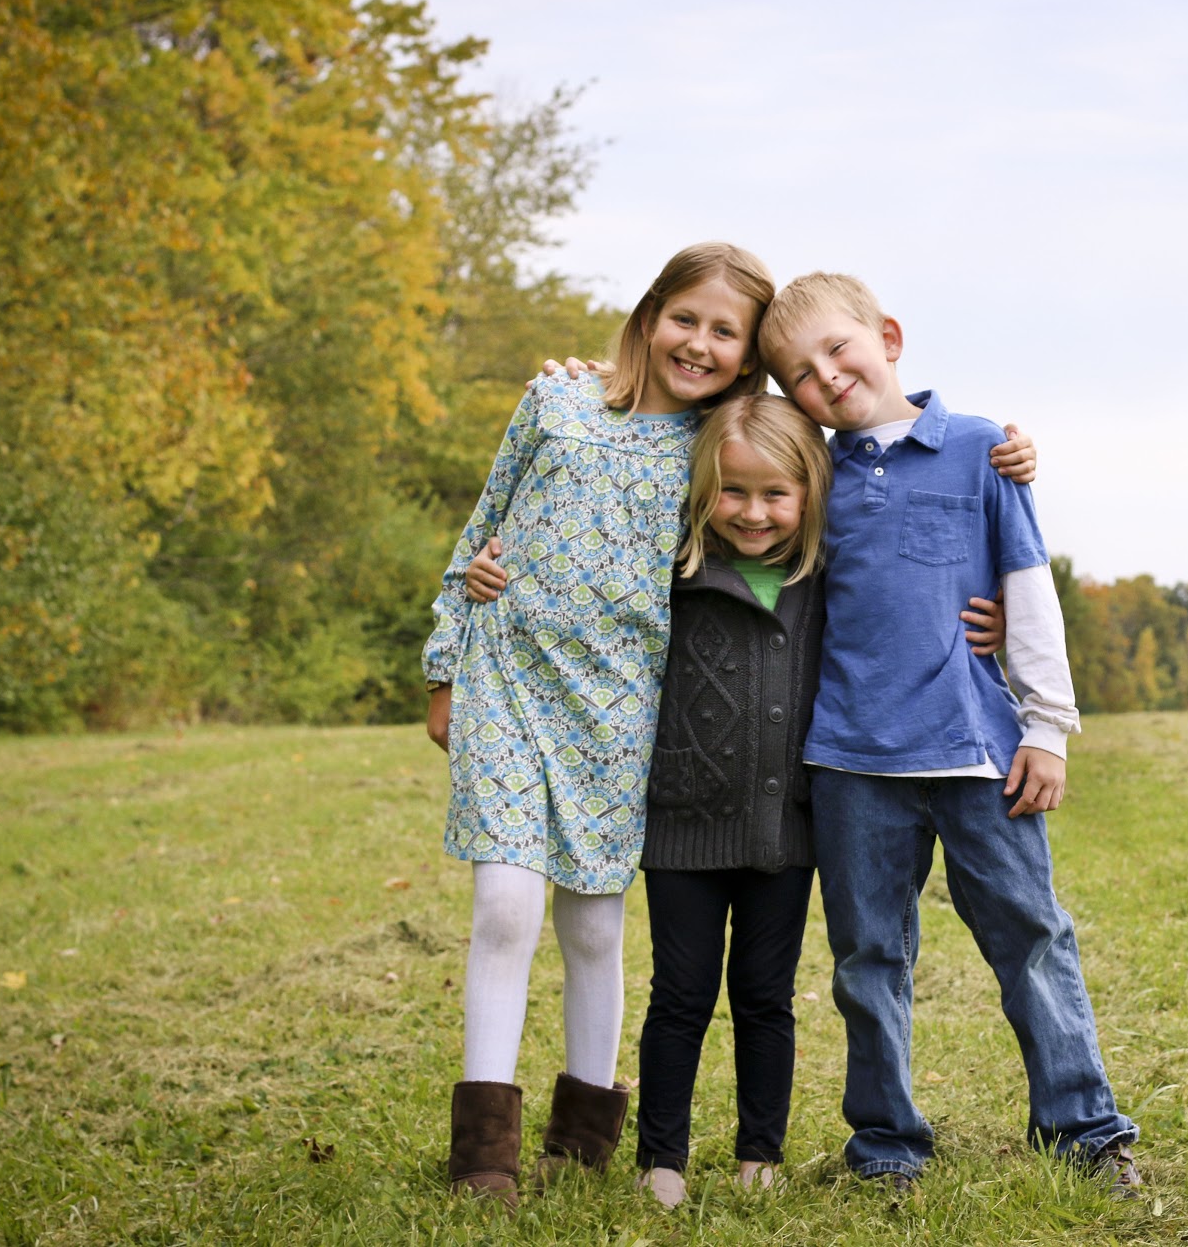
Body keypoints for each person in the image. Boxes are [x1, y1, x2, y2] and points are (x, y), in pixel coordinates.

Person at [424, 245, 1035, 1206]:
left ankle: (590, 1139)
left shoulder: (723, 454)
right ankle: (489, 1156)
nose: (699, 343)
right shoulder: (567, 403)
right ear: (648, 315)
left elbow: (866, 495)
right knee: (517, 913)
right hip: (528, 688)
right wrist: (450, 647)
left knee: (613, 932)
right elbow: (487, 524)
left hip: (640, 726)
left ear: (748, 363)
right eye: (685, 319)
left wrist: (993, 531)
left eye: (725, 333)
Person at [755, 271, 1142, 1196]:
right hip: (852, 760)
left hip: (977, 751)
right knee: (868, 959)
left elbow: (1028, 590)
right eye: (801, 373)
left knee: (1031, 937)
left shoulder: (981, 449)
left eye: (838, 349)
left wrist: (1047, 727)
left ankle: (1084, 1129)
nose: (826, 376)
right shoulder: (811, 476)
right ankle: (887, 1144)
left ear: (887, 337)